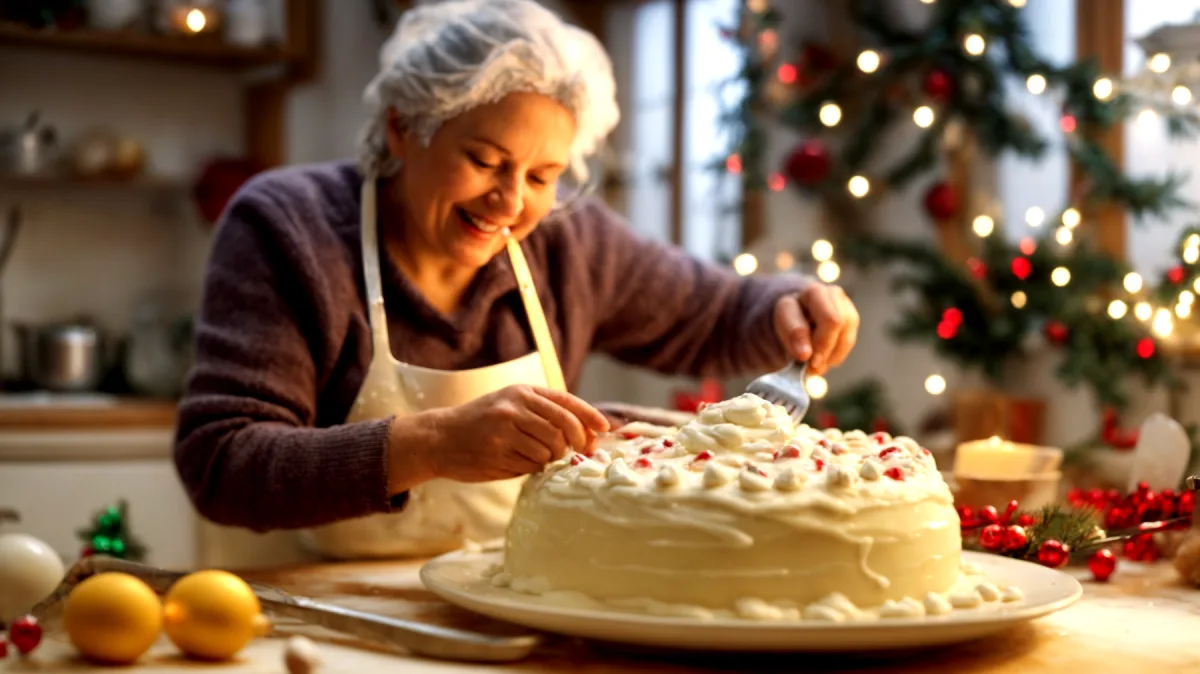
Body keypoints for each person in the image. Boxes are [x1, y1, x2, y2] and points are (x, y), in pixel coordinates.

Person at [173, 0, 861, 560]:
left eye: (541, 176)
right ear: (403, 129)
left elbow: (713, 312)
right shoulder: (287, 228)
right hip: (323, 612)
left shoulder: (567, 239)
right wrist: (432, 444)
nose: (510, 202)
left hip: (524, 604)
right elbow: (222, 461)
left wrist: (786, 305)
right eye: (484, 159)